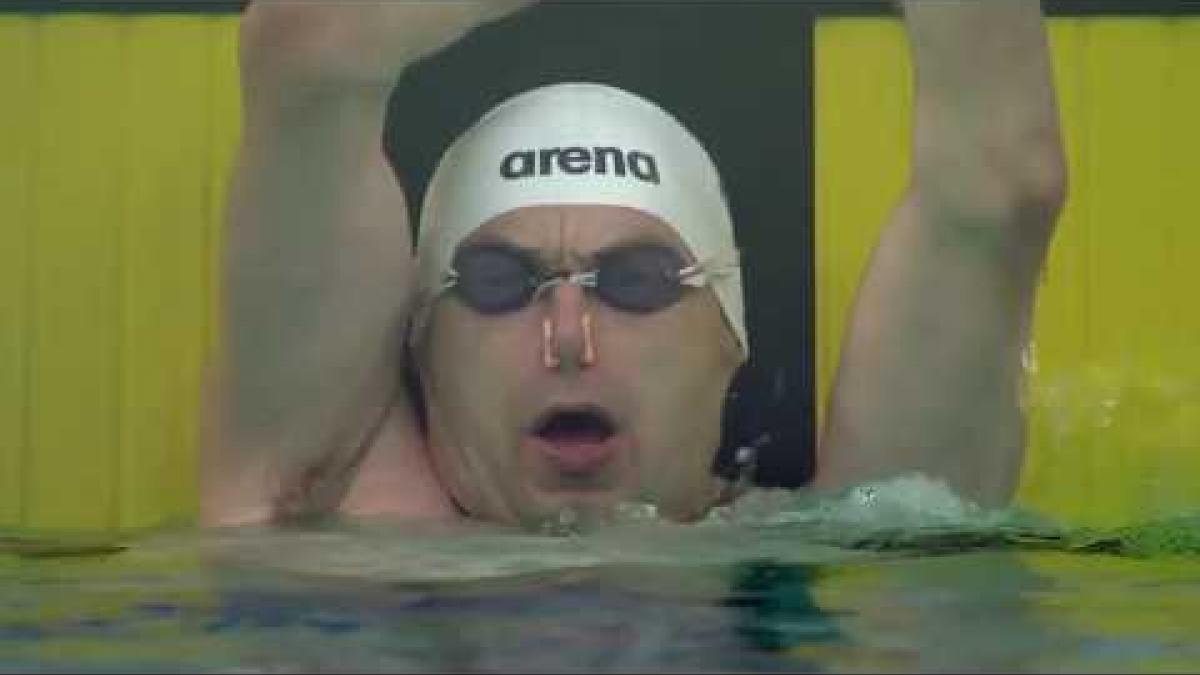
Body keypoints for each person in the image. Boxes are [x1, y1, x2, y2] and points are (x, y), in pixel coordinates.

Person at [200, 1, 1066, 529]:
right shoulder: (319, 496)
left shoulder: (863, 534)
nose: (569, 337)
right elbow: (310, 45)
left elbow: (1005, 186)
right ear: (420, 337)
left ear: (729, 334)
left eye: (637, 283)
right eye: (500, 283)